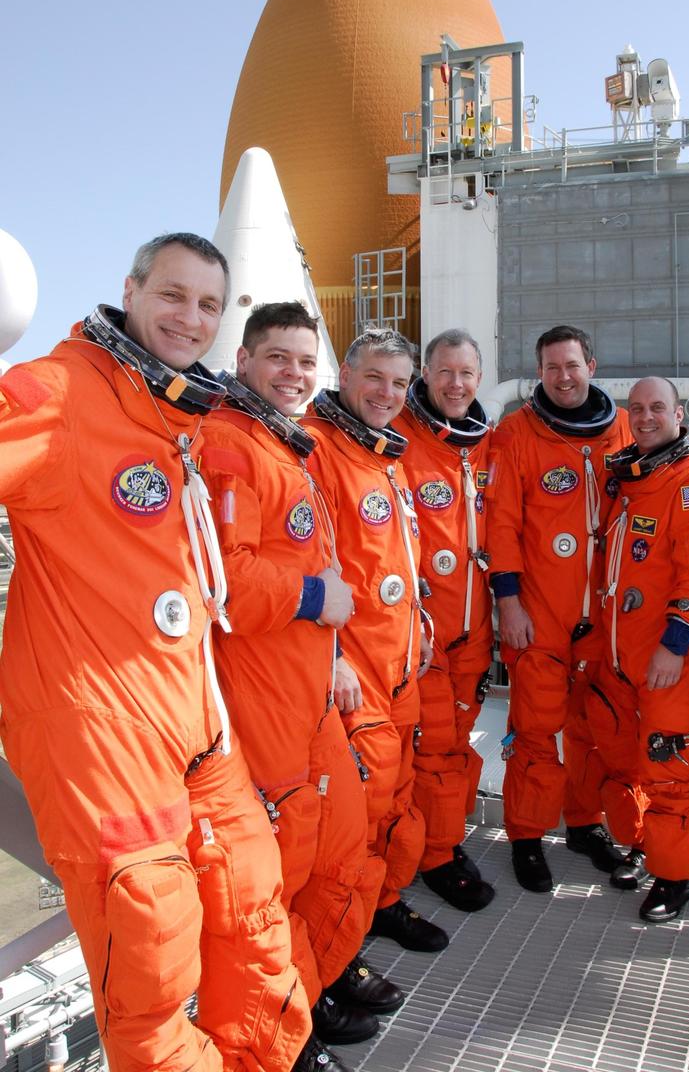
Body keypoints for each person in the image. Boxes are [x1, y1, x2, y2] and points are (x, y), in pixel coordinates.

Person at [0, 235, 311, 1072]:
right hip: (101, 726)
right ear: (131, 290)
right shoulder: (61, 391)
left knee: (255, 918)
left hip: (194, 721)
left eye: (208, 305)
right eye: (172, 295)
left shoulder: (178, 418)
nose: (189, 318)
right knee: (152, 956)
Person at [203, 303, 405, 1072]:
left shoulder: (285, 447)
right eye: (278, 358)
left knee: (341, 853)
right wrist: (321, 599)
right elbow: (228, 580)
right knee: (274, 889)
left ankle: (314, 986)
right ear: (245, 361)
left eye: (304, 361)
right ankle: (281, 1042)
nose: (293, 374)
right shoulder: (230, 444)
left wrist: (334, 650)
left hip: (312, 694)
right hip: (263, 706)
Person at [305, 329, 450, 952]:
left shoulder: (384, 455)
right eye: (374, 378)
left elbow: (395, 561)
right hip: (354, 673)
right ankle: (338, 945)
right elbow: (313, 562)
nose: (386, 394)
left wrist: (419, 631)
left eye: (398, 383)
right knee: (357, 810)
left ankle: (381, 902)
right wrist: (335, 660)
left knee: (395, 794)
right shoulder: (316, 448)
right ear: (344, 374)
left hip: (399, 664)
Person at [487, 325, 630, 892]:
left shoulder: (625, 428)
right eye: (551, 368)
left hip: (607, 615)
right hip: (540, 612)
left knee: (595, 726)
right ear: (538, 373)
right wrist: (509, 604)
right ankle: (526, 835)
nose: (563, 377)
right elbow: (501, 524)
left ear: (591, 365)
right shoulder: (516, 433)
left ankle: (585, 823)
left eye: (572, 366)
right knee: (535, 727)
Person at [585, 377, 689, 921]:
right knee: (624, 758)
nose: (645, 418)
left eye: (657, 408)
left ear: (679, 414)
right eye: (637, 408)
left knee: (668, 765)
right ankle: (647, 845)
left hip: (668, 658)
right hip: (619, 652)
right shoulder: (629, 478)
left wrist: (675, 645)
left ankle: (674, 876)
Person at [396, 328, 495, 913]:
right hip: (423, 633)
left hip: (475, 629)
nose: (456, 385)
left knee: (459, 743)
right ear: (425, 375)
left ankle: (444, 839)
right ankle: (435, 856)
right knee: (431, 746)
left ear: (479, 379)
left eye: (466, 374)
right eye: (445, 372)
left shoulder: (489, 446)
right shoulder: (397, 439)